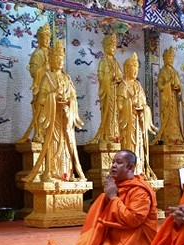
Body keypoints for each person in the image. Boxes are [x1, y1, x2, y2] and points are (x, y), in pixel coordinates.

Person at [73, 150, 158, 245]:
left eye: (119, 162)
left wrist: (113, 197)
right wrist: (108, 196)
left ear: (130, 167)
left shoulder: (140, 191)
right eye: (113, 162)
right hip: (114, 238)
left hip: (135, 241)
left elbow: (134, 219)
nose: (113, 165)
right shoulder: (116, 186)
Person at [23, 40, 86, 183]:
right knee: (53, 143)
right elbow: (41, 100)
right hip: (53, 119)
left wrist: (69, 102)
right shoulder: (47, 77)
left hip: (64, 118)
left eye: (61, 58)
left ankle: (67, 173)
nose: (59, 61)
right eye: (56, 58)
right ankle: (50, 172)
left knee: (67, 145)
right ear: (51, 60)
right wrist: (53, 96)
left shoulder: (67, 78)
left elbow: (74, 98)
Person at [117, 52, 158, 179]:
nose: (134, 72)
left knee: (139, 146)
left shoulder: (138, 85)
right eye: (132, 69)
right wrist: (130, 104)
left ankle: (139, 169)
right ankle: (130, 172)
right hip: (128, 123)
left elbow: (144, 104)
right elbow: (119, 106)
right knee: (130, 147)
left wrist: (143, 109)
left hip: (138, 123)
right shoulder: (123, 85)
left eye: (136, 69)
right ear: (127, 69)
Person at [18, 23, 51, 143]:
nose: (46, 40)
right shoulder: (36, 54)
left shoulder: (52, 54)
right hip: (41, 88)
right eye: (44, 38)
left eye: (48, 38)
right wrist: (44, 68)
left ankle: (51, 134)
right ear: (39, 39)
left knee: (52, 113)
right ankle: (39, 134)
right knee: (40, 112)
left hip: (53, 90)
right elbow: (33, 72)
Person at [90, 33, 123, 144]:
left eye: (114, 46)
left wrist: (117, 78)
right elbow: (100, 77)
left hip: (115, 93)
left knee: (116, 114)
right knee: (108, 114)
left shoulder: (116, 62)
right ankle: (107, 134)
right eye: (110, 46)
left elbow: (120, 76)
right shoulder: (103, 62)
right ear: (105, 47)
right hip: (108, 92)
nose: (112, 48)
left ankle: (116, 134)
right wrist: (109, 78)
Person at [155, 46, 183, 145]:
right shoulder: (163, 71)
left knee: (175, 118)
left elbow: (179, 86)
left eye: (172, 58)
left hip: (173, 99)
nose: (170, 60)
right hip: (166, 100)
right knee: (167, 118)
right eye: (169, 58)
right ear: (164, 59)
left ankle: (176, 137)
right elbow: (160, 85)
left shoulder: (174, 72)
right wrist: (168, 84)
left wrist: (177, 88)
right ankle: (167, 137)